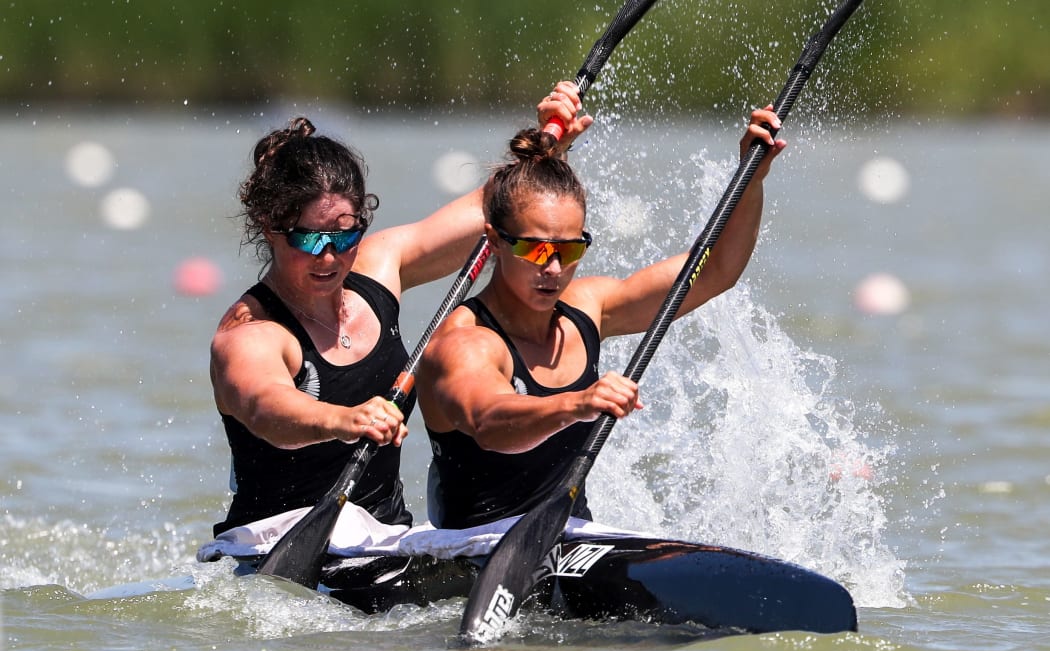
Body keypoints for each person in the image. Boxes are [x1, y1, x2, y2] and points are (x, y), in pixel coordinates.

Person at [207, 81, 594, 538]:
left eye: (346, 234)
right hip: (274, 545)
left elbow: (500, 210)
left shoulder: (378, 267)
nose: (329, 256)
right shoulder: (251, 332)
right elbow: (264, 407)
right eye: (309, 238)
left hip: (383, 544)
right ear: (268, 226)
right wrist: (342, 419)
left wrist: (549, 149)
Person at [417, 104, 786, 530]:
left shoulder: (588, 308)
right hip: (476, 551)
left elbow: (716, 270)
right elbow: (488, 421)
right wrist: (577, 404)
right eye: (536, 249)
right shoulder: (465, 342)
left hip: (570, 542)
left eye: (569, 249)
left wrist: (752, 177)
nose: (553, 268)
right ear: (495, 242)